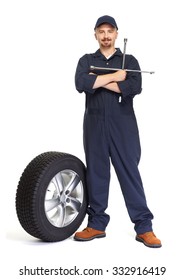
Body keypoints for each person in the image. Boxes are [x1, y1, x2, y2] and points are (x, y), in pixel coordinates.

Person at [74, 15, 161, 248]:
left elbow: (134, 87)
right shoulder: (86, 60)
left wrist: (98, 80)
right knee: (96, 173)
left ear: (116, 33)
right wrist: (114, 77)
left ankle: (144, 227)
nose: (105, 35)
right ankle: (97, 224)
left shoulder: (129, 60)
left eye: (109, 31)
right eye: (101, 31)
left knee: (129, 173)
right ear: (95, 34)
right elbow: (81, 83)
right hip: (94, 124)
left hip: (123, 125)